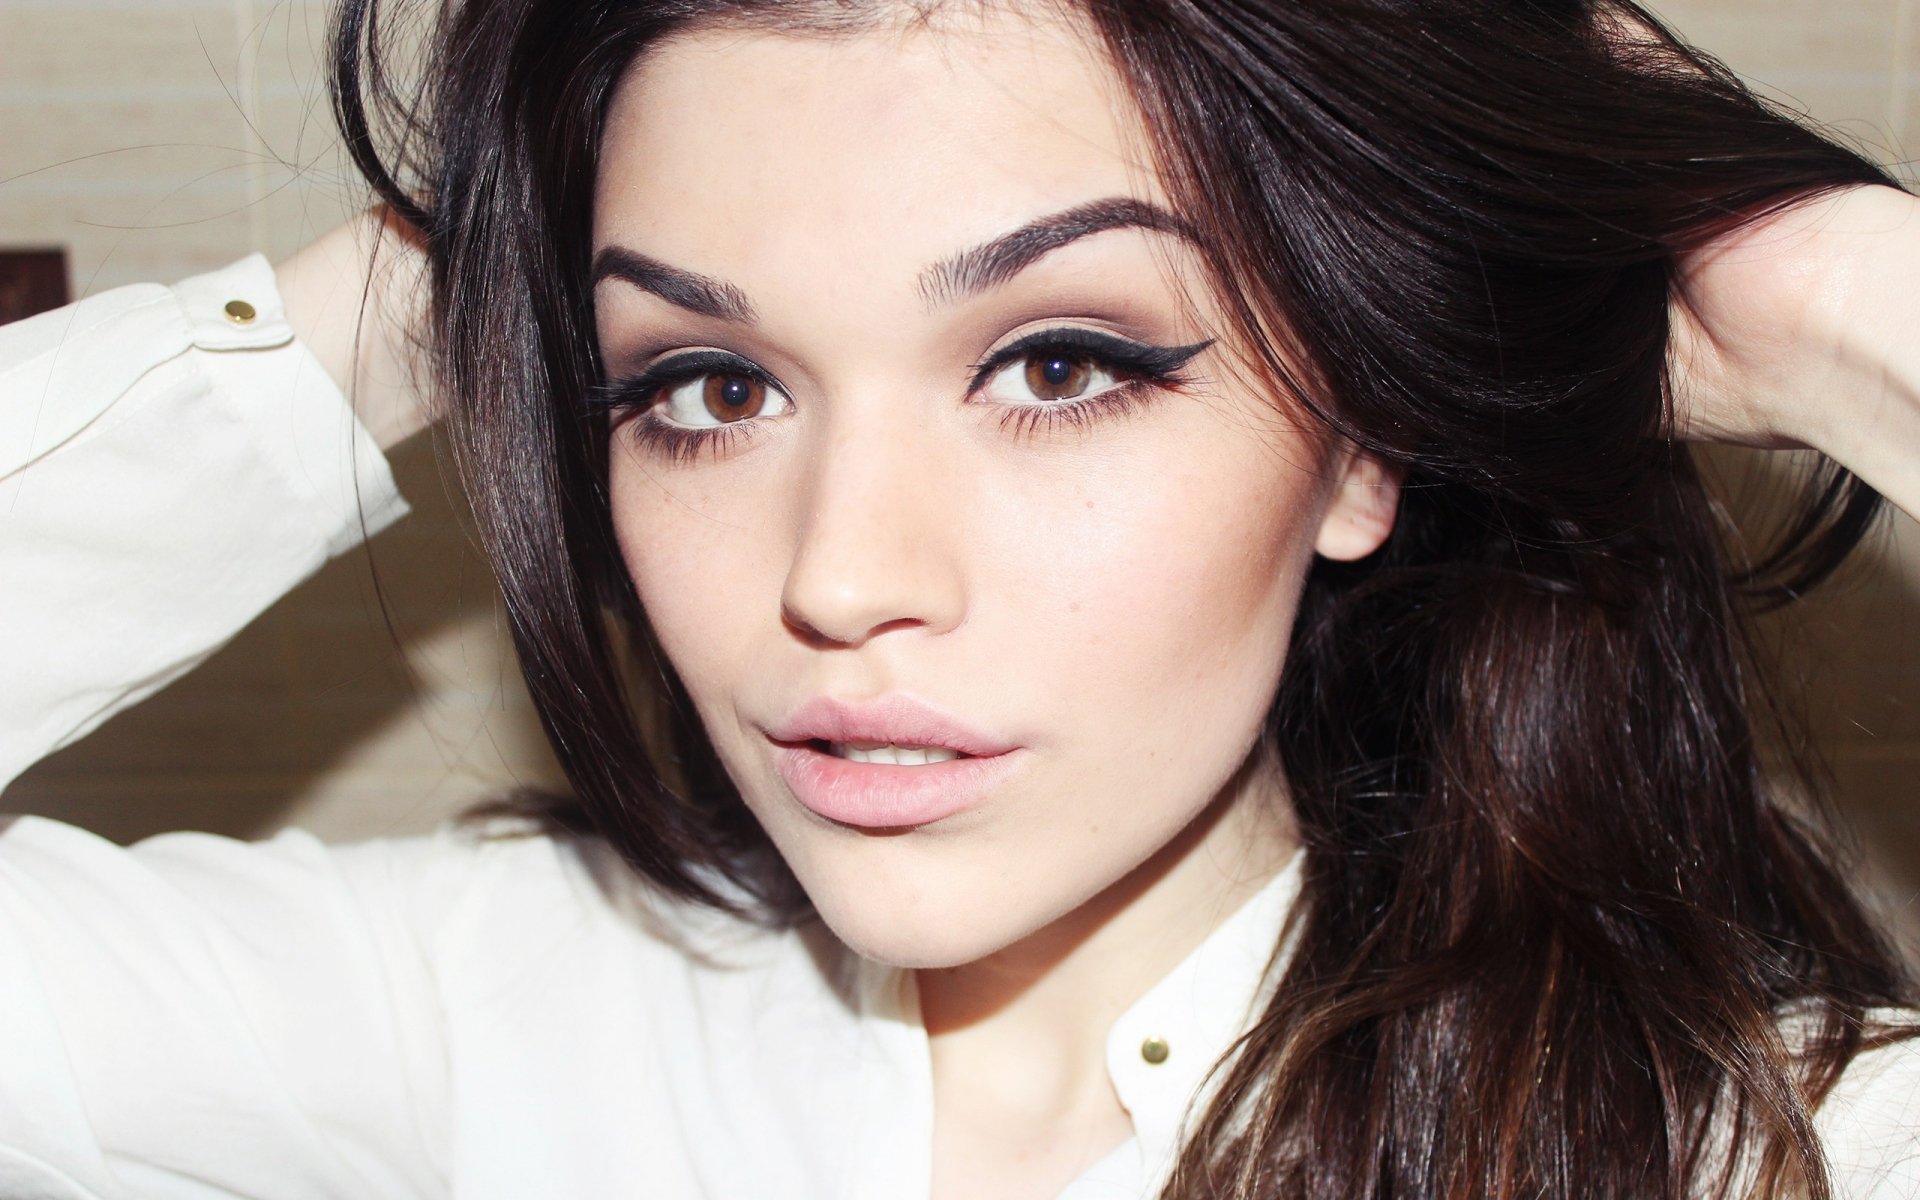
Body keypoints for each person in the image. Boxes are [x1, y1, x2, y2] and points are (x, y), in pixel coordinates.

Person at [2, 0, 1918, 1197]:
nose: (840, 578)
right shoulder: (511, 1015)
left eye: (1064, 363)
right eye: (708, 385)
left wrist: (1822, 290)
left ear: (1360, 439)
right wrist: (434, 276)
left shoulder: (1782, 1146)